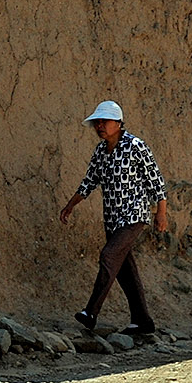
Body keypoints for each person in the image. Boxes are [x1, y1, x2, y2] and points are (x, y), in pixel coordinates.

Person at [59, 99, 168, 337]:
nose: (100, 126)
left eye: (104, 121)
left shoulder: (135, 146)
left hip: (134, 215)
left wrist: (161, 213)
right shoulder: (100, 151)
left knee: (109, 255)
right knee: (126, 271)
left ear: (118, 123)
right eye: (97, 122)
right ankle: (143, 321)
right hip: (112, 219)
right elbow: (89, 182)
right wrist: (70, 205)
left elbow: (156, 181)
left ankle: (91, 312)